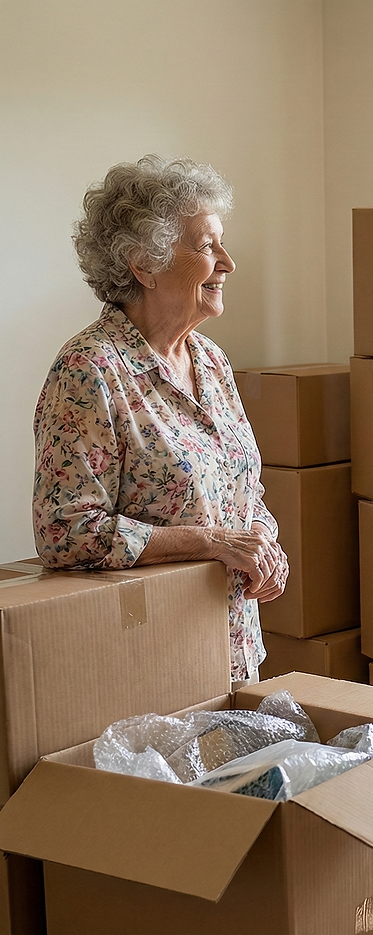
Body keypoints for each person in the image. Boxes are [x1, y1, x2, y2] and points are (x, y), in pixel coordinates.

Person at [33, 155, 288, 689]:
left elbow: (245, 490)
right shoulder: (90, 370)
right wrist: (212, 542)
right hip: (152, 668)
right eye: (205, 245)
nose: (228, 263)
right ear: (142, 265)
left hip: (236, 652)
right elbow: (67, 533)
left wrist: (263, 541)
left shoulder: (211, 360)